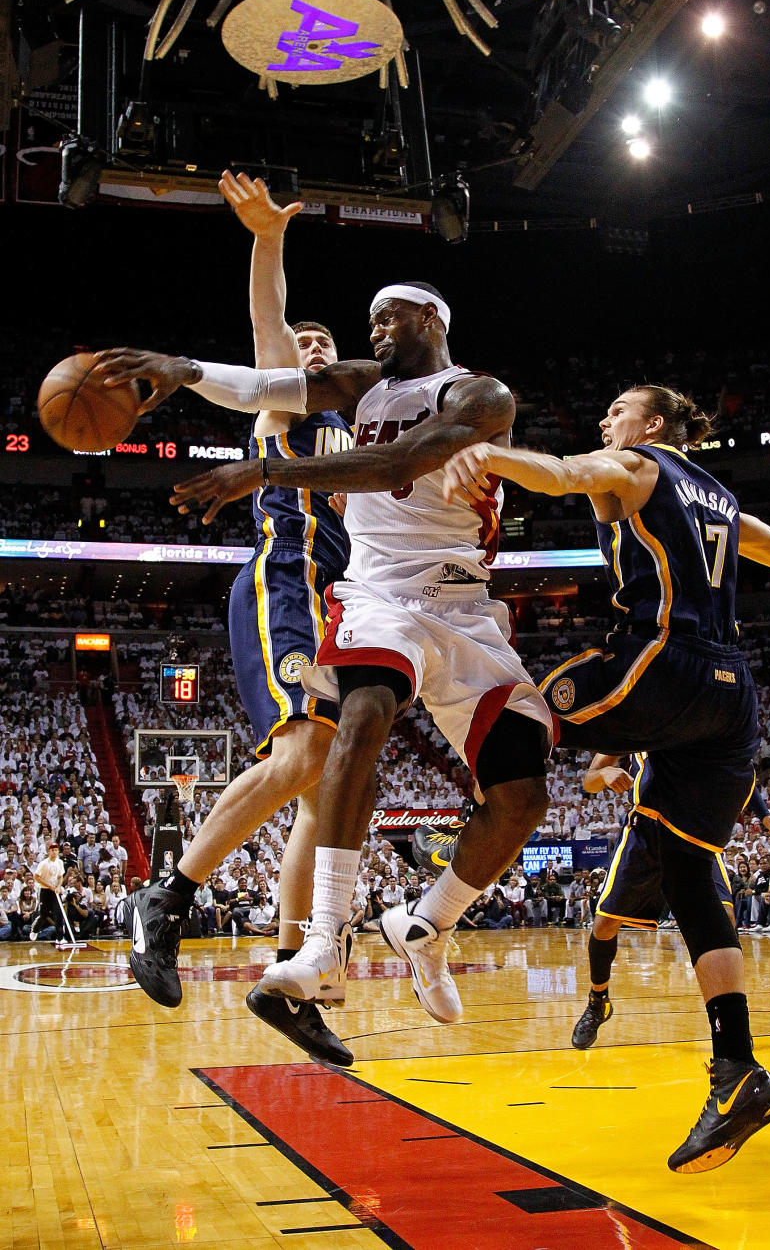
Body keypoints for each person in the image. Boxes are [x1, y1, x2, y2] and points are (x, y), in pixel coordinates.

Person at [440, 381, 770, 1174]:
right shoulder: (724, 502)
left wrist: (489, 452)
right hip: (731, 700)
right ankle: (736, 1069)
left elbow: (563, 475)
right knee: (689, 872)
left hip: (662, 661)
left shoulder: (636, 466)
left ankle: (441, 900)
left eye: (619, 410)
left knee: (520, 708)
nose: (607, 419)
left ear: (655, 425)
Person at [101, 278, 556, 1027]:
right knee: (356, 718)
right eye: (369, 321)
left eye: (388, 318)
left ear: (431, 317)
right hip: (373, 594)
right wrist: (184, 368)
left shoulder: (481, 395)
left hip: (465, 607)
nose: (373, 331)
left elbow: (395, 464)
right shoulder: (360, 387)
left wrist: (269, 468)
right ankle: (310, 942)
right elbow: (271, 380)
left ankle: (427, 924)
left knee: (521, 795)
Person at [108, 172, 354, 1067]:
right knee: (300, 759)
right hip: (285, 583)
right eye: (306, 342)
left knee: (322, 797)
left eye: (326, 342)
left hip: (346, 608)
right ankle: (166, 897)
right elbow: (267, 325)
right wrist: (267, 240)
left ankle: (289, 973)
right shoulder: (283, 398)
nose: (313, 349)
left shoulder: (362, 429)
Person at [567, 753, 770, 1048]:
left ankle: (731, 1025)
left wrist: (767, 818)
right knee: (605, 923)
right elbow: (589, 780)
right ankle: (598, 1000)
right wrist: (605, 775)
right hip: (644, 830)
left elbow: (739, 767)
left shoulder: (695, 716)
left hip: (692, 829)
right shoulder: (629, 719)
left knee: (725, 919)